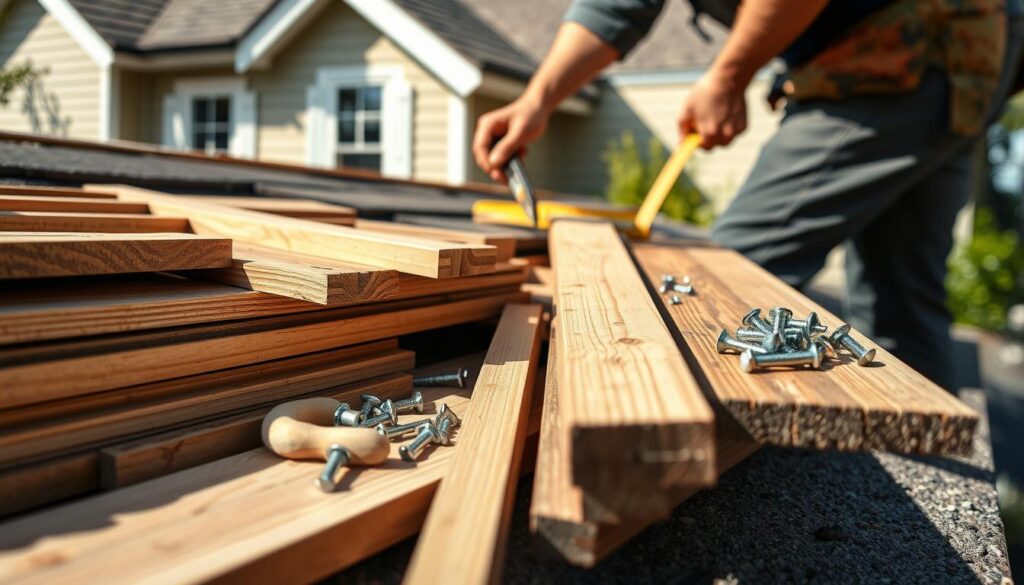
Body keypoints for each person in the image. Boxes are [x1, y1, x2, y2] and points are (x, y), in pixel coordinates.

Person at [473, 0, 1024, 390]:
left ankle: (670, 449)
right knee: (902, 295)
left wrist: (728, 76)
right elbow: (618, 6)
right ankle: (927, 519)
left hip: (909, 43)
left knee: (726, 274)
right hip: (963, 46)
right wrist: (537, 101)